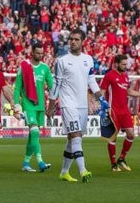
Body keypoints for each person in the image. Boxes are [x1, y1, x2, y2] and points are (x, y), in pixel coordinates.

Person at [48, 29, 108, 183]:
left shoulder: (88, 59)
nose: (73, 42)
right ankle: (83, 170)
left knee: (72, 138)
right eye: (71, 39)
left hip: (82, 105)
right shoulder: (61, 60)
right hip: (68, 104)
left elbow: (91, 81)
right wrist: (51, 104)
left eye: (76, 39)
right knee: (76, 137)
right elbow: (56, 83)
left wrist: (101, 99)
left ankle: (64, 172)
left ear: (82, 42)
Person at [13, 43, 53, 172]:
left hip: (40, 106)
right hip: (28, 104)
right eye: (37, 53)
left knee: (33, 136)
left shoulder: (45, 68)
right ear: (32, 53)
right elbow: (17, 88)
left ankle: (26, 163)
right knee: (35, 132)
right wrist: (17, 105)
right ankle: (41, 162)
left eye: (42, 53)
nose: (40, 55)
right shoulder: (24, 67)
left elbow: (52, 85)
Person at [100, 54, 140, 172]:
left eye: (126, 64)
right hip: (113, 110)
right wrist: (102, 107)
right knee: (112, 138)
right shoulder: (109, 76)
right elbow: (102, 92)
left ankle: (122, 158)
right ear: (116, 64)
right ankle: (113, 164)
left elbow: (128, 91)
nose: (125, 66)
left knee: (131, 134)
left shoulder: (125, 76)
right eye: (123, 64)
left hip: (124, 111)